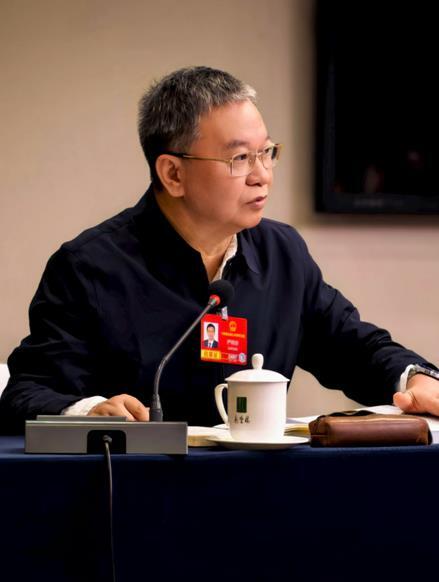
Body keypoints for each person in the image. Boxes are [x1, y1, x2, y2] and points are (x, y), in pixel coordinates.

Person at [1, 66, 438, 433]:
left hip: (256, 488)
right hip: (135, 491)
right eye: (240, 159)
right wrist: (91, 411)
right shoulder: (89, 267)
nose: (262, 175)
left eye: (267, 152)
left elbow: (352, 346)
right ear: (173, 174)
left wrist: (414, 378)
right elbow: (26, 391)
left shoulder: (281, 253)